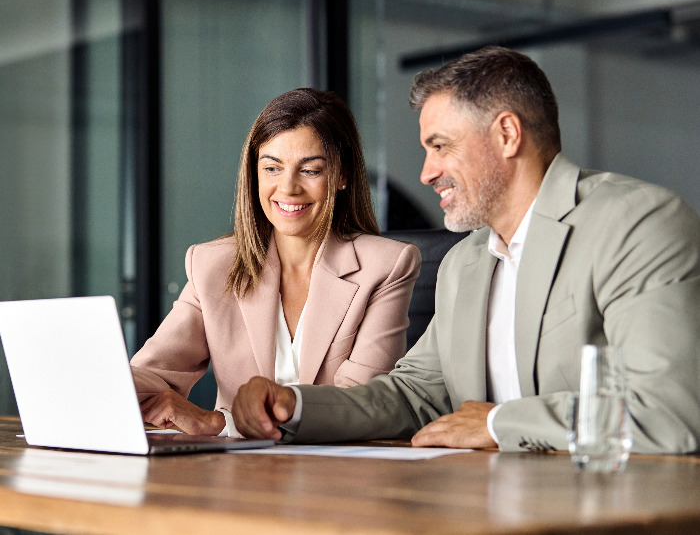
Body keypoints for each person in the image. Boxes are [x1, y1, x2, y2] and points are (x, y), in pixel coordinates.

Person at [231, 46, 700, 454]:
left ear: (507, 134)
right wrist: (294, 406)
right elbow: (413, 393)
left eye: (440, 146)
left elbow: (668, 414)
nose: (427, 172)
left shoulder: (635, 223)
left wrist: (498, 423)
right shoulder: (465, 263)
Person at [131, 88, 420, 436]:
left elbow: (359, 405)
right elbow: (154, 371)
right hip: (241, 476)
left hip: (340, 473)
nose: (288, 187)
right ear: (254, 175)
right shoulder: (213, 265)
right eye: (272, 168)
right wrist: (94, 380)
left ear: (342, 175)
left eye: (310, 170)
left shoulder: (387, 266)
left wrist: (221, 423)